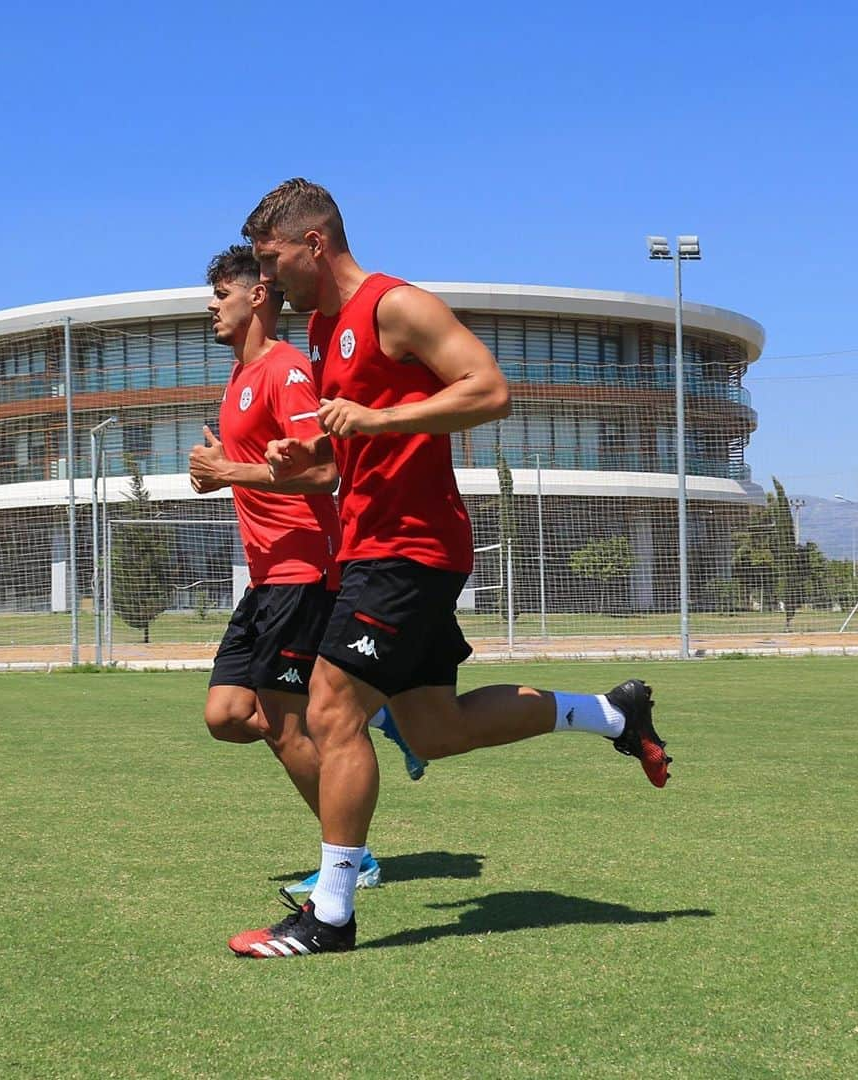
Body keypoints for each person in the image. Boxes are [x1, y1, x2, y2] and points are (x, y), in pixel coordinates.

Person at [226, 180, 672, 958]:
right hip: (371, 544)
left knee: (331, 711)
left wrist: (379, 419)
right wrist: (315, 453)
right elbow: (346, 454)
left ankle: (331, 915)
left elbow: (492, 390)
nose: (269, 283)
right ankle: (613, 712)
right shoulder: (327, 331)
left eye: (273, 262)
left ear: (315, 244)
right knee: (434, 730)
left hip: (412, 546)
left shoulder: (395, 306)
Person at [189, 244, 425, 897]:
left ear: (256, 296)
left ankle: (354, 860)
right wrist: (222, 477)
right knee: (226, 714)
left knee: (284, 722)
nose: (211, 305)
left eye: (221, 293)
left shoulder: (288, 371)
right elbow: (262, 473)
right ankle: (378, 717)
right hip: (266, 579)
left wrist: (229, 472)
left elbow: (328, 472)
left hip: (303, 570)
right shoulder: (238, 380)